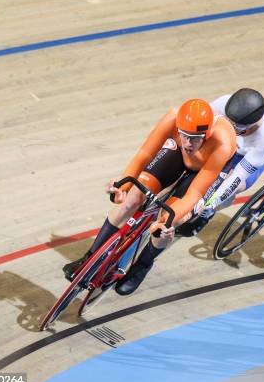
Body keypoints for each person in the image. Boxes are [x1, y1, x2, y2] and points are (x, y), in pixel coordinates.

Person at [62, 98, 237, 295]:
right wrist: (123, 185)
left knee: (166, 222)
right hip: (178, 156)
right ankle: (90, 257)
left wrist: (167, 222)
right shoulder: (173, 117)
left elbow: (195, 192)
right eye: (185, 135)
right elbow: (145, 154)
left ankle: (142, 265)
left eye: (196, 138)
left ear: (207, 134)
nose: (189, 143)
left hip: (203, 171)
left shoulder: (222, 143)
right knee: (133, 198)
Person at [178, 88, 264, 236]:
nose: (231, 129)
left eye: (236, 129)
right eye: (228, 122)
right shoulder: (223, 103)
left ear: (252, 126)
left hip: (248, 156)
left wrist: (211, 203)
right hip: (228, 145)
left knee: (231, 184)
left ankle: (209, 213)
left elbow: (236, 178)